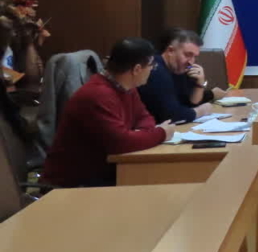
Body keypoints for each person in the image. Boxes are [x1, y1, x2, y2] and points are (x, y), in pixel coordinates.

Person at [42, 38, 176, 187]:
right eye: (151, 65)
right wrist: (161, 133)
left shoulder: (127, 87)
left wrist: (138, 135)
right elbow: (122, 143)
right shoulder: (97, 94)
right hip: (72, 184)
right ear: (137, 69)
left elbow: (144, 118)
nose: (152, 69)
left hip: (102, 174)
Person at [138, 28, 224, 124]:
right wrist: (201, 111)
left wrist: (200, 84)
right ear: (170, 51)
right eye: (188, 55)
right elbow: (172, 115)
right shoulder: (156, 70)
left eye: (195, 56)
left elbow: (190, 103)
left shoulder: (179, 68)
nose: (191, 62)